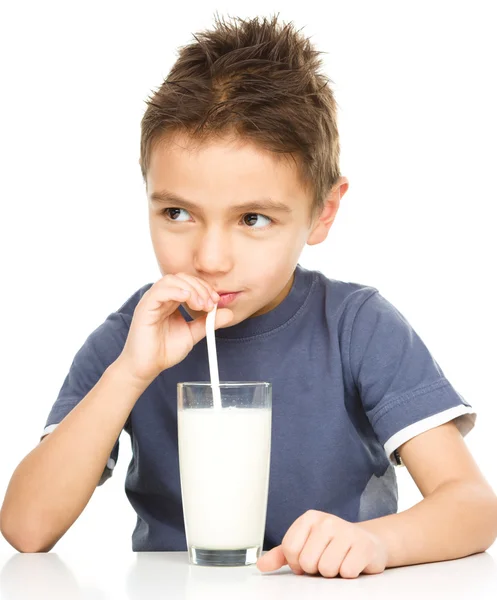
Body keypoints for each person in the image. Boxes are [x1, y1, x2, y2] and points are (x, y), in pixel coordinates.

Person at [1, 14, 496, 579]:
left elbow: (472, 507)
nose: (210, 258)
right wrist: (129, 374)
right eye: (177, 213)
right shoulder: (129, 340)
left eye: (253, 218)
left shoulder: (358, 329)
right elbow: (26, 527)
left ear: (322, 212)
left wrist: (375, 543)